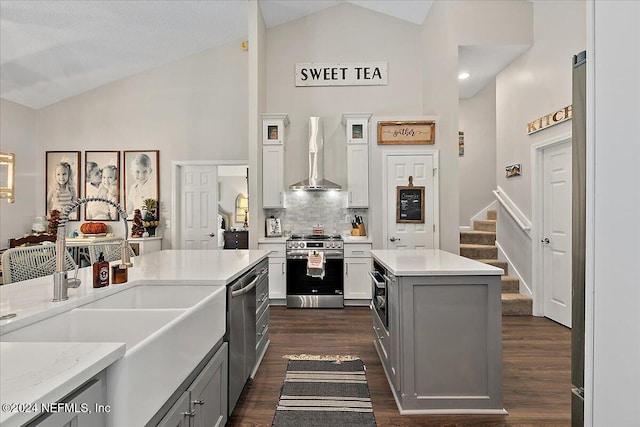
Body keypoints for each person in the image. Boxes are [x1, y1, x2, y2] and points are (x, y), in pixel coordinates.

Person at [126, 153, 155, 218]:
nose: (141, 176)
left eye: (145, 172)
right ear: (131, 171)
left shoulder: (152, 187)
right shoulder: (133, 188)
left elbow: (151, 209)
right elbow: (129, 207)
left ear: (150, 171)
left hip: (147, 219)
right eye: (137, 172)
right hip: (135, 218)